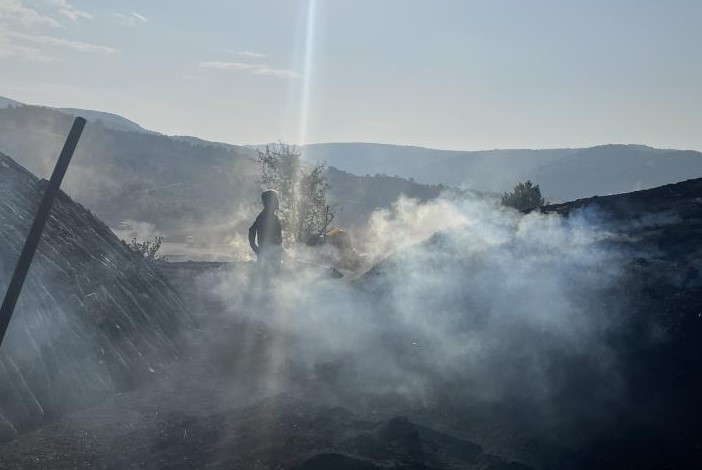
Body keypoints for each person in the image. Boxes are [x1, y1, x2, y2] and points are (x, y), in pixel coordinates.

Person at [248, 190, 284, 271]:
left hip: (273, 255)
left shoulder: (271, 216)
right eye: (275, 199)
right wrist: (256, 249)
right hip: (269, 258)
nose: (278, 202)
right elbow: (251, 231)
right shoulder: (264, 217)